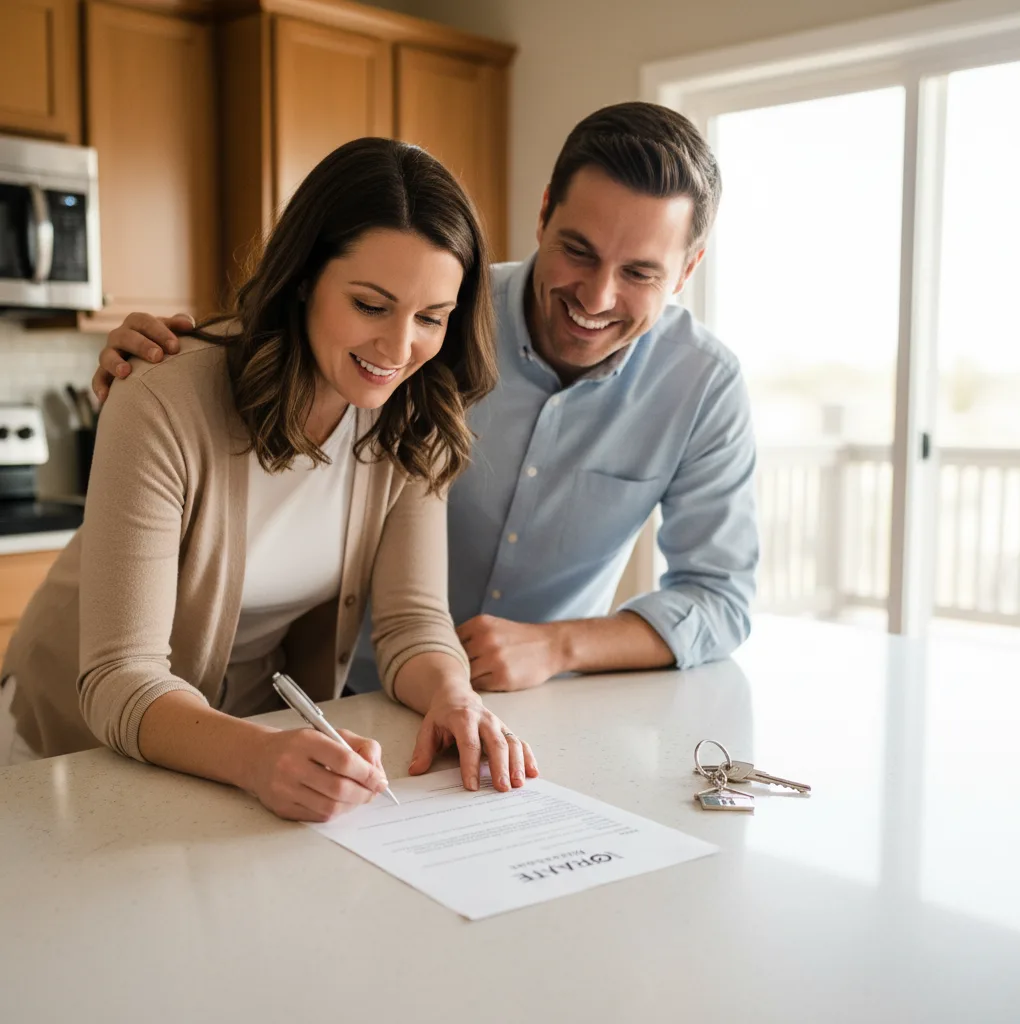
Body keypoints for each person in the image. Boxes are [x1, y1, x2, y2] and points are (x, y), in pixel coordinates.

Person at [91, 102, 759, 697]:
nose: (596, 297)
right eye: (577, 252)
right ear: (544, 210)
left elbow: (722, 598)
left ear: (687, 270)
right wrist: (167, 363)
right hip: (346, 688)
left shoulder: (702, 386)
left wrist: (560, 646)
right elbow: (289, 338)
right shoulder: (438, 325)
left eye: (640, 272)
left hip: (536, 702)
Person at [0, 138, 539, 816]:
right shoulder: (164, 397)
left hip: (243, 744)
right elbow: (118, 675)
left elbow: (411, 623)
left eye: (431, 318)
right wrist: (254, 758)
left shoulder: (414, 416)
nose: (400, 350)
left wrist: (454, 697)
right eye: (371, 305)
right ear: (306, 276)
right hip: (73, 744)